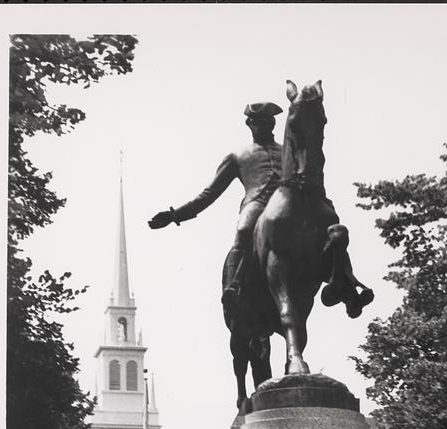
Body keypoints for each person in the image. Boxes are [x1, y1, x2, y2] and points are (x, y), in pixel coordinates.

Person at [148, 101, 372, 318]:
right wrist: (175, 215)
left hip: (290, 203)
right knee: (245, 228)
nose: (259, 126)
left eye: (264, 122)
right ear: (248, 125)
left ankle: (346, 288)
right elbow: (209, 194)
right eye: (254, 122)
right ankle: (234, 284)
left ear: (273, 124)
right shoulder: (238, 156)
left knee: (329, 220)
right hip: (258, 203)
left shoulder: (289, 152)